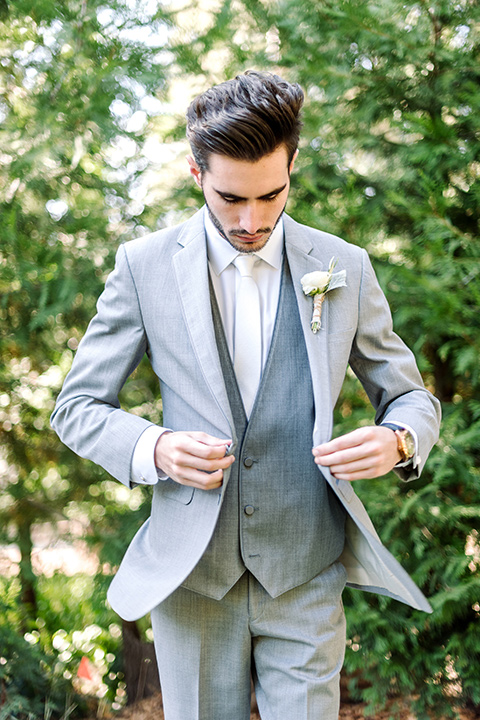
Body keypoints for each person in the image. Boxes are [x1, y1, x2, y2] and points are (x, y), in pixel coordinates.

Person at [51, 71, 441, 720]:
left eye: (272, 195)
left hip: (306, 572)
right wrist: (156, 446)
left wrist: (397, 439)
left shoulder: (345, 267)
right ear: (195, 171)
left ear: (293, 165)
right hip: (194, 580)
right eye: (231, 198)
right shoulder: (143, 267)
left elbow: (411, 398)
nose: (252, 220)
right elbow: (77, 407)